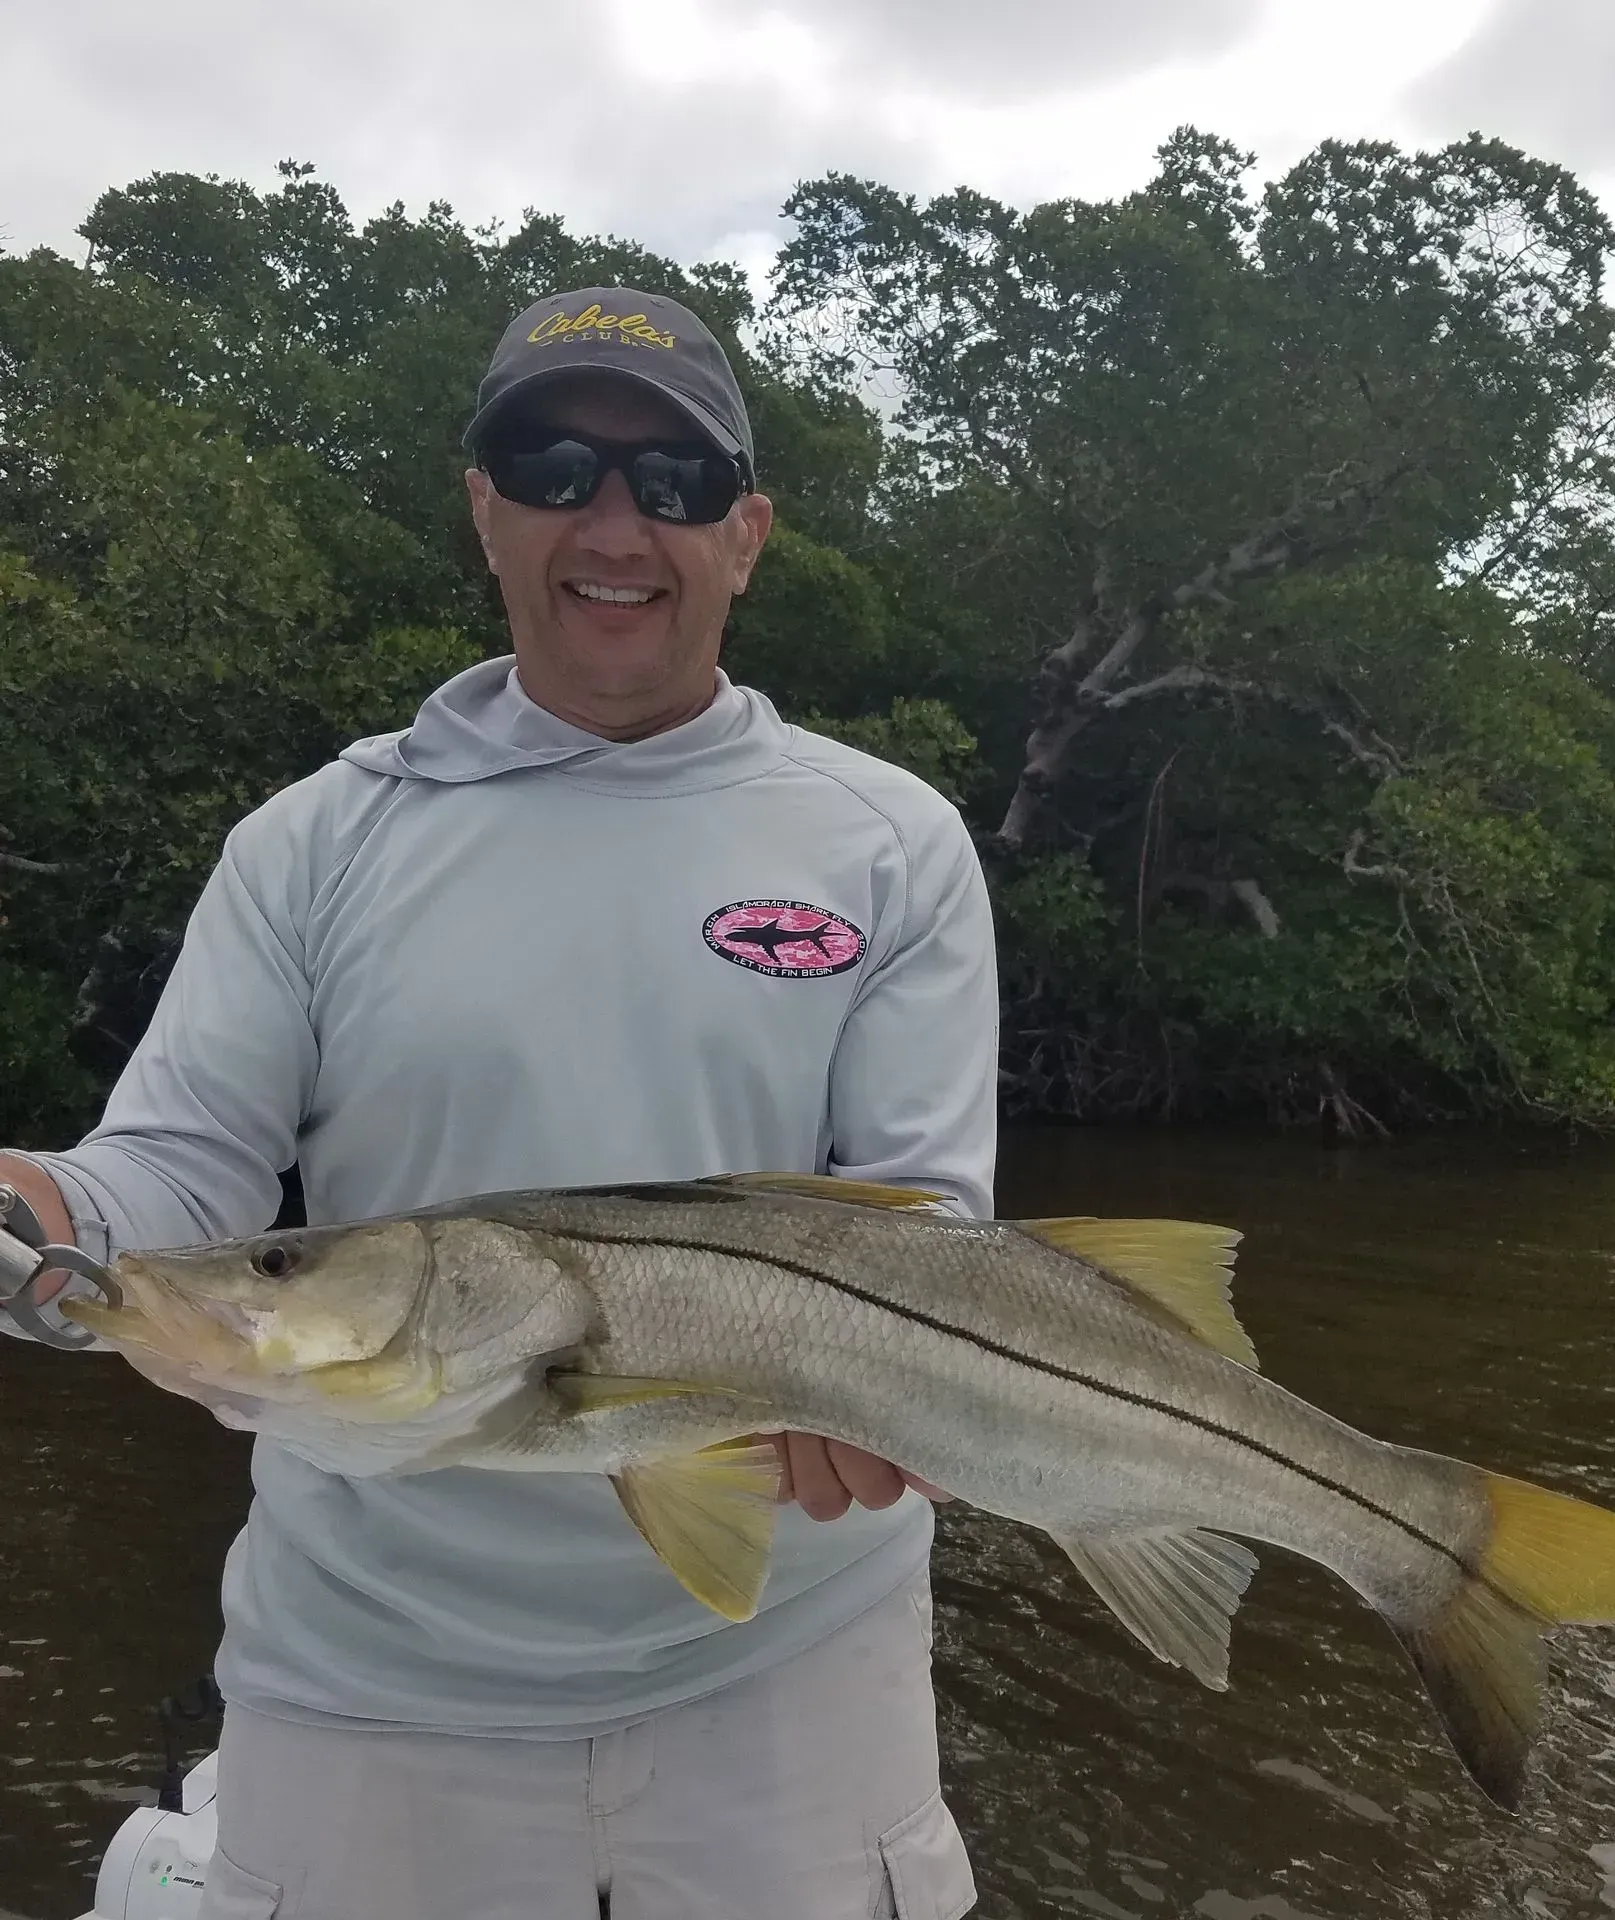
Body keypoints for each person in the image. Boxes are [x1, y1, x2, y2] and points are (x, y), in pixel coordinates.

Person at [0, 287, 995, 1920]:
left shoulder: (889, 842)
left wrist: (896, 1404)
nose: (615, 523)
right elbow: (171, 1175)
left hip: (794, 1671)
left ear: (746, 534)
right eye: (553, 466)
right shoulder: (315, 842)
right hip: (367, 1676)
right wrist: (38, 1222)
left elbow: (929, 1228)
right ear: (484, 509)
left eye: (672, 482)